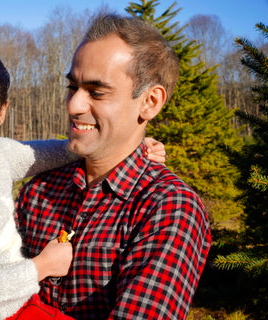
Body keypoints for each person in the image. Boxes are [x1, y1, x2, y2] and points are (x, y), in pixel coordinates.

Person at [0, 41, 166, 319]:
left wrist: (126, 145)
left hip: (17, 304)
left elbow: (47, 153)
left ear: (2, 111)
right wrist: (44, 265)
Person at [15, 13, 211, 320]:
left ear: (150, 102)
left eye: (97, 92)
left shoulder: (168, 208)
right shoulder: (39, 190)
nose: (74, 105)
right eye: (73, 86)